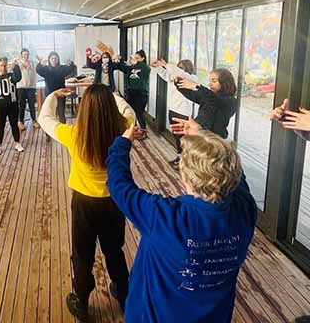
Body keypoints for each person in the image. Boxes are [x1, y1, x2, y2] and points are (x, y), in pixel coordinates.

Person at [107, 117, 257, 323]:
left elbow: (119, 184)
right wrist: (202, 134)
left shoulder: (164, 217)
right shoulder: (245, 210)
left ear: (185, 177)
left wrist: (122, 143)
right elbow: (237, 176)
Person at [38, 84, 135, 322]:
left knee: (82, 253)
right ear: (111, 107)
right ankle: (124, 295)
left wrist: (52, 95)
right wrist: (111, 95)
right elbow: (128, 109)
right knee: (114, 249)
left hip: (83, 202)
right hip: (114, 200)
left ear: (84, 108)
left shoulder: (74, 134)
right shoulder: (125, 128)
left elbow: (44, 119)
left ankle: (80, 301)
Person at [151, 58, 197, 168]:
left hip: (183, 113)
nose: (178, 69)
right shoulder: (174, 77)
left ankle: (186, 162)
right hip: (173, 110)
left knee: (184, 138)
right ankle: (180, 156)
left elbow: (181, 73)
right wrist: (156, 67)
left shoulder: (191, 78)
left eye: (181, 67)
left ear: (187, 69)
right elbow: (165, 75)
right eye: (178, 67)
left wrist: (166, 64)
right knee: (176, 136)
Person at [176, 68, 237, 139]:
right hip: (199, 136)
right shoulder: (210, 97)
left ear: (224, 82)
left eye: (214, 81)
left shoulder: (230, 101)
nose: (210, 84)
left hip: (213, 140)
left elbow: (214, 99)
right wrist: (178, 84)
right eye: (210, 81)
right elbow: (193, 95)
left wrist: (196, 86)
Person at [0, 58, 24, 155]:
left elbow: (18, 77)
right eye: (1, 65)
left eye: (5, 65)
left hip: (12, 104)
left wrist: (15, 67)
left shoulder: (11, 76)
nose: (3, 67)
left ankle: (17, 143)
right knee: (0, 125)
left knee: (14, 124)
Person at [36, 51, 75, 124]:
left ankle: (62, 131)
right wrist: (40, 63)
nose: (54, 60)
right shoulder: (46, 69)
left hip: (61, 95)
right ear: (49, 60)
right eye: (52, 58)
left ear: (58, 60)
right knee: (50, 115)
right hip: (50, 95)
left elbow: (71, 69)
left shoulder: (62, 68)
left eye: (55, 58)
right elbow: (38, 70)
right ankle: (49, 133)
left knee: (61, 114)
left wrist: (71, 63)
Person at [121, 50, 150, 140]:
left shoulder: (145, 68)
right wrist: (120, 60)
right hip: (131, 93)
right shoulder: (131, 67)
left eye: (138, 58)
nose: (135, 60)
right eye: (135, 58)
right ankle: (135, 130)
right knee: (131, 112)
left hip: (141, 94)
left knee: (139, 112)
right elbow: (122, 68)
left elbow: (146, 69)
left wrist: (137, 63)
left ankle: (144, 131)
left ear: (143, 58)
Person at [14, 48, 39, 131]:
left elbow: (39, 65)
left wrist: (39, 59)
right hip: (21, 87)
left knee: (32, 104)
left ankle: (34, 120)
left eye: (27, 54)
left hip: (31, 87)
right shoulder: (18, 63)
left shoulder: (32, 63)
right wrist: (16, 60)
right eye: (24, 54)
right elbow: (11, 66)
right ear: (21, 55)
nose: (26, 56)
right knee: (22, 105)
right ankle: (21, 122)